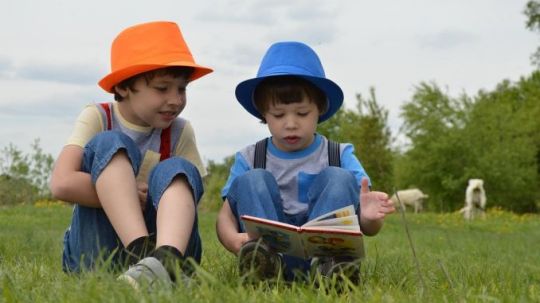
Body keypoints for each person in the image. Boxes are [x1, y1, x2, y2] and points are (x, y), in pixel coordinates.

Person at [49, 21, 212, 288]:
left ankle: (165, 260)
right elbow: (62, 183)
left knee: (178, 169)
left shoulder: (180, 130)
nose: (175, 99)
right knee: (110, 142)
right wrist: (125, 193)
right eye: (162, 88)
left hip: (167, 241)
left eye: (182, 89)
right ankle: (142, 255)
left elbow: (192, 193)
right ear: (124, 87)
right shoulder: (98, 117)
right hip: (98, 252)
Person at [216, 41, 395, 283]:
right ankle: (263, 267)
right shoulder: (250, 158)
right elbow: (225, 216)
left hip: (324, 252)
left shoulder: (339, 155)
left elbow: (368, 226)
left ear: (319, 108)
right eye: (278, 115)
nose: (290, 123)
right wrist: (231, 239)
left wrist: (369, 219)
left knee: (339, 177)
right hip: (271, 251)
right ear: (263, 113)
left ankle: (331, 270)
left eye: (302, 113)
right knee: (252, 180)